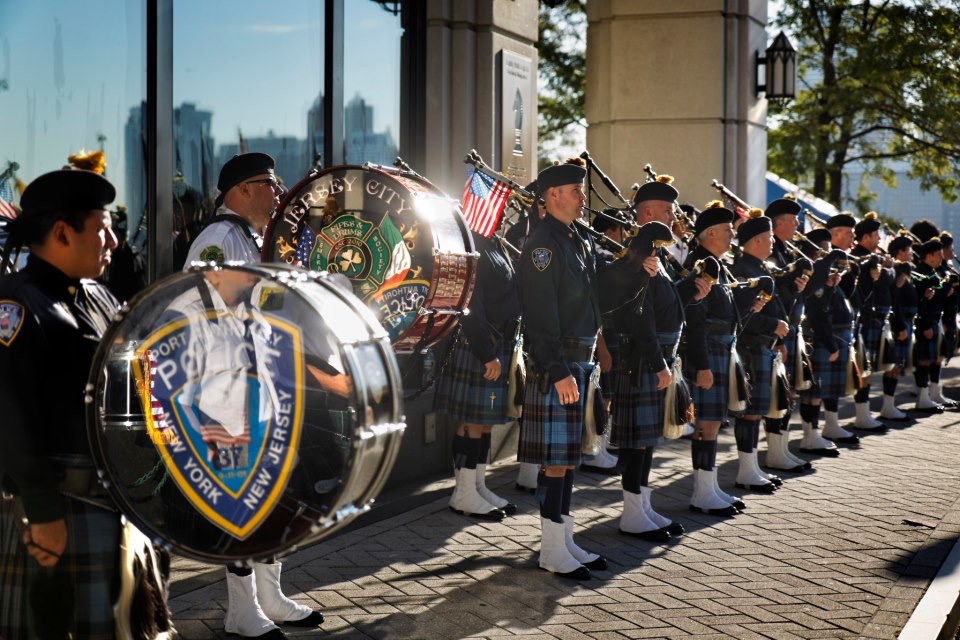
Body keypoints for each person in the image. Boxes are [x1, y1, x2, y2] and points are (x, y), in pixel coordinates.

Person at [0, 169, 170, 638]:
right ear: (60, 232)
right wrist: (44, 513)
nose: (113, 241)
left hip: (113, 500)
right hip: (59, 509)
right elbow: (9, 418)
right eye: (101, 227)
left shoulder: (98, 295)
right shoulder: (16, 306)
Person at [186, 152, 322, 639]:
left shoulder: (250, 238)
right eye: (270, 183)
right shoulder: (218, 241)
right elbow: (203, 317)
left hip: (262, 386)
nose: (278, 192)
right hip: (228, 389)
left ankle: (270, 595)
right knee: (241, 503)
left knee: (273, 497)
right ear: (243, 189)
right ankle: (240, 609)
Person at [518, 162, 611, 581]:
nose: (582, 197)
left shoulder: (576, 240)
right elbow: (540, 317)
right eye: (575, 190)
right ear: (552, 195)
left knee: (568, 459)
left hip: (580, 359)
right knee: (555, 462)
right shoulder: (542, 246)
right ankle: (551, 550)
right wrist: (557, 370)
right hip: (561, 362)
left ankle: (565, 540)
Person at [610, 179, 705, 540]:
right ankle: (632, 514)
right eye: (666, 210)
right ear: (647, 212)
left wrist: (690, 292)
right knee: (637, 442)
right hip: (643, 360)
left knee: (647, 440)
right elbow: (639, 315)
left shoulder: (657, 252)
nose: (672, 215)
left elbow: (662, 305)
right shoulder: (640, 252)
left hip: (655, 356)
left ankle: (643, 507)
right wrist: (657, 362)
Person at [435, 220, 521, 521]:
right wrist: (486, 353)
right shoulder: (474, 246)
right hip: (482, 345)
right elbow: (471, 304)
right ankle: (463, 492)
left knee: (484, 422)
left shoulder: (493, 241)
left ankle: (477, 486)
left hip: (498, 343)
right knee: (472, 420)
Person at [681, 201, 745, 517]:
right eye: (727, 230)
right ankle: (702, 493)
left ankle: (709, 486)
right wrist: (702, 365)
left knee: (713, 423)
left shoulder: (718, 263)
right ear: (709, 233)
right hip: (707, 352)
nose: (733, 234)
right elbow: (696, 320)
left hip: (720, 349)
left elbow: (724, 314)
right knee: (706, 425)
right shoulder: (699, 265)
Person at [729, 210, 787, 494]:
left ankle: (751, 467)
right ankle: (746, 470)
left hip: (763, 347)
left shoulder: (760, 268)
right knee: (749, 413)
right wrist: (773, 323)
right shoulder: (744, 272)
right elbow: (744, 317)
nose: (773, 241)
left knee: (756, 412)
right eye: (769, 237)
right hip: (750, 346)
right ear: (755, 240)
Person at [762, 197, 813, 472]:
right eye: (793, 221)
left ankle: (781, 448)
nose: (797, 225)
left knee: (787, 392)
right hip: (778, 330)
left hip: (789, 327)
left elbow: (787, 296)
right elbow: (774, 298)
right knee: (778, 393)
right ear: (779, 222)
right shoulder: (772, 254)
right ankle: (775, 451)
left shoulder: (784, 251)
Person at [848, 212, 891, 430]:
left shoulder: (871, 257)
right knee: (863, 368)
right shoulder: (859, 257)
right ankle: (861, 414)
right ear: (864, 237)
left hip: (870, 317)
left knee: (868, 366)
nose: (879, 240)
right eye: (875, 235)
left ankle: (864, 413)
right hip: (862, 317)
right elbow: (860, 293)